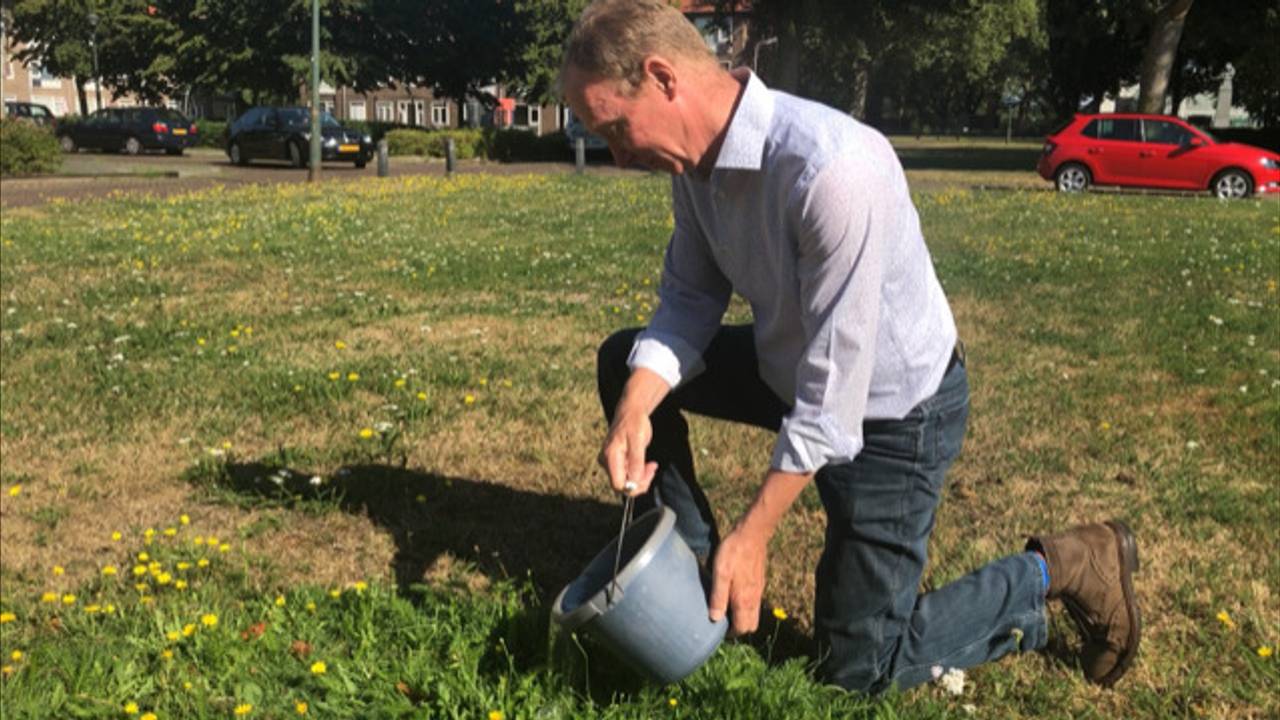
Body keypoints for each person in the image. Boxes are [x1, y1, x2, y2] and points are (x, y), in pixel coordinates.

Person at [560, 0, 1141, 693]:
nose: (618, 157)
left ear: (662, 79)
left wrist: (756, 533)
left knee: (856, 674)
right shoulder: (696, 170)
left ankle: (1064, 567)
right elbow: (690, 298)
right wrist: (635, 408)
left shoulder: (832, 171)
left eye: (616, 129)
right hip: (795, 369)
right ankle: (690, 567)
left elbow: (834, 405)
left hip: (893, 415)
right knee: (627, 361)